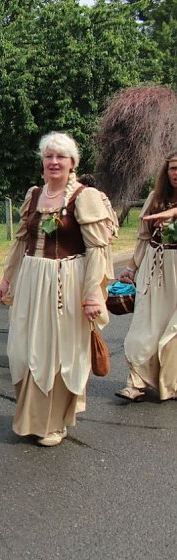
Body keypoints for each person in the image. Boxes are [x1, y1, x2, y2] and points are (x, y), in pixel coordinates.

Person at [0, 132, 111, 447]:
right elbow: (22, 241)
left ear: (73, 162)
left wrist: (91, 294)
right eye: (49, 156)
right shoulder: (34, 194)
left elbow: (97, 250)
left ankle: (55, 422)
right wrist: (8, 278)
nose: (54, 162)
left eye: (61, 156)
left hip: (66, 283)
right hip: (32, 280)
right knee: (23, 349)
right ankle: (31, 416)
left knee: (58, 354)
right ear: (42, 162)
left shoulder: (84, 197)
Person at [115, 152, 177, 402]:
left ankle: (171, 383)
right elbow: (142, 239)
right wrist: (131, 268)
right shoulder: (155, 198)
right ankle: (136, 382)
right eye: (172, 168)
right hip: (155, 266)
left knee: (173, 329)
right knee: (144, 324)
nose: (176, 173)